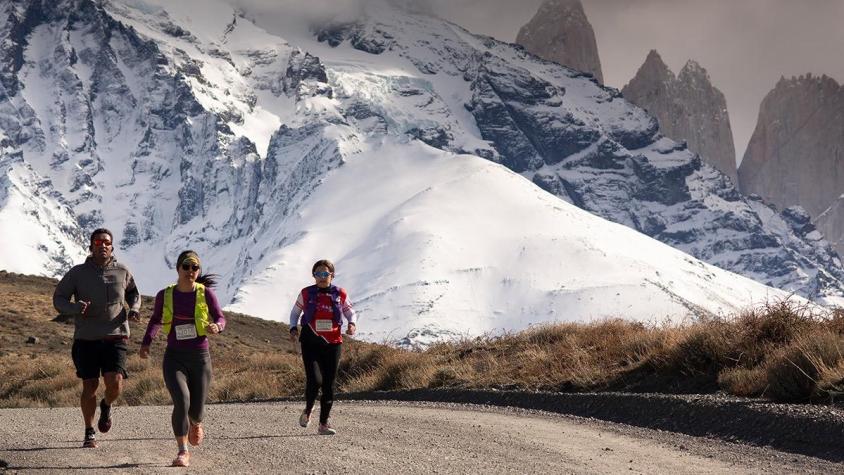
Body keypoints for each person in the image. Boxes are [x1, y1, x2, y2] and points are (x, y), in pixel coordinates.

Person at [53, 228, 141, 448]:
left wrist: (135, 308)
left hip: (116, 335)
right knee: (89, 386)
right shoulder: (77, 273)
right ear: (91, 246)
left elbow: (133, 294)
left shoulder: (122, 270)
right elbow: (59, 298)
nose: (103, 245)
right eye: (98, 242)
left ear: (112, 246)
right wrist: (74, 308)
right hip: (87, 338)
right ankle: (89, 430)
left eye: (107, 242)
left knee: (116, 384)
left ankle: (107, 405)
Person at [140, 250, 225, 467]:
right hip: (174, 357)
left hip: (200, 357)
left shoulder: (206, 294)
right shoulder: (165, 295)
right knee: (182, 401)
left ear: (198, 271)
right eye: (186, 266)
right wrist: (147, 343)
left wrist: (218, 326)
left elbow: (220, 317)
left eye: (194, 267)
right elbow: (156, 320)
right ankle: (182, 451)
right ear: (178, 268)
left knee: (196, 410)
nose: (190, 271)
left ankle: (196, 423)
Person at [289, 259, 357, 435]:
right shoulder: (306, 293)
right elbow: (295, 313)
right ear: (314, 276)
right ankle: (309, 409)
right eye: (318, 274)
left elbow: (350, 312)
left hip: (333, 343)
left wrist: (352, 324)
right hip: (310, 342)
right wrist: (293, 328)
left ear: (332, 275)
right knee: (315, 380)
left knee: (328, 384)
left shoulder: (340, 293)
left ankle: (323, 424)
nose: (321, 277)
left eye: (325, 273)